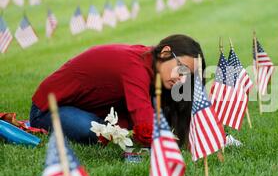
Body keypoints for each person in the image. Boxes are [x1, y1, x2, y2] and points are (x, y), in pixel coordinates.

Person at [30, 34, 205, 147]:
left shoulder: (155, 67)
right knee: (93, 131)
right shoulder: (135, 66)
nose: (181, 79)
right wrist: (167, 145)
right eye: (180, 69)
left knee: (155, 108)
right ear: (166, 52)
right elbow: (144, 120)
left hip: (94, 108)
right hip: (49, 108)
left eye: (187, 76)